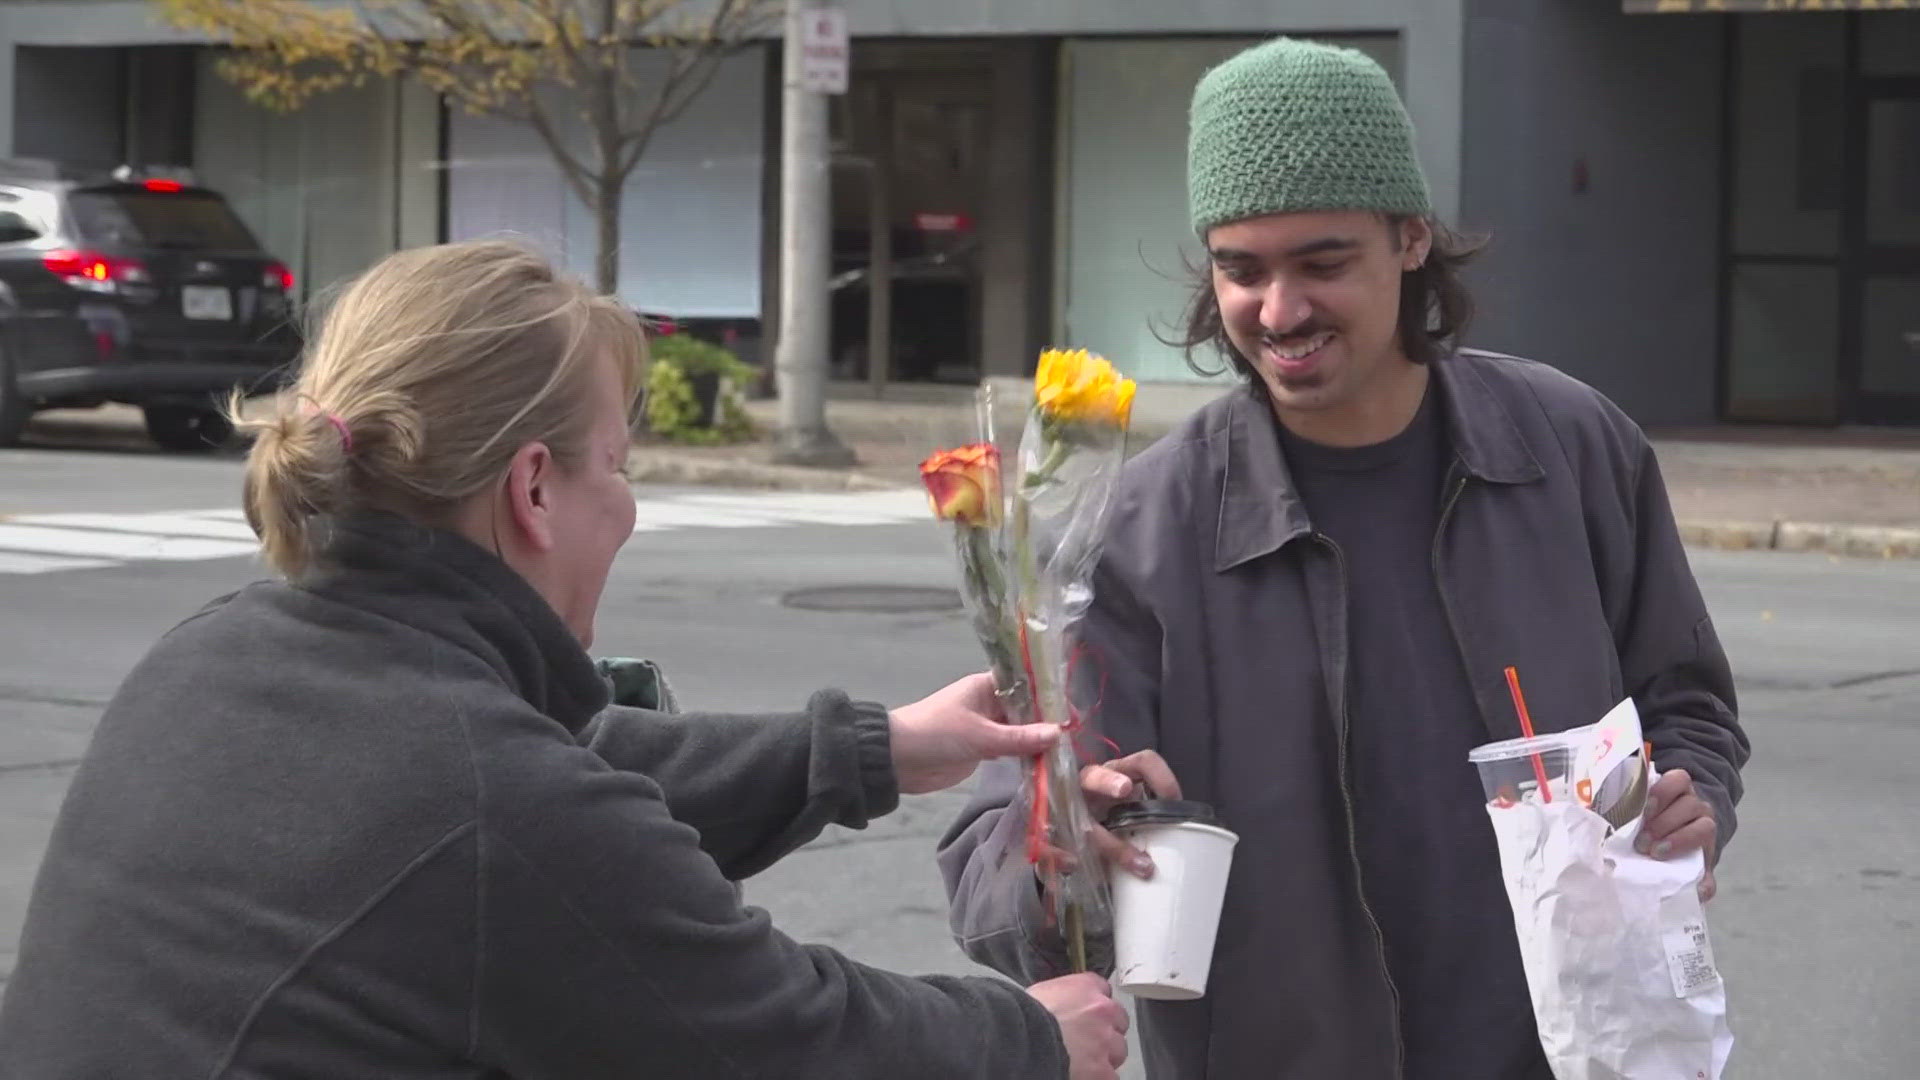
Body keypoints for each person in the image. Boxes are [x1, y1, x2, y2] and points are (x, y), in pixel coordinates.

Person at [0, 240, 1130, 1080]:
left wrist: (878, 748)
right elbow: (782, 1035)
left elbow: (580, 777)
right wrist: (1033, 1038)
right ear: (534, 489)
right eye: (616, 464)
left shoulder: (220, 655)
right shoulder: (487, 799)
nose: (627, 506)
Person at [940, 37, 1751, 1079]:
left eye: (1323, 264)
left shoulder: (1572, 447)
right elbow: (998, 853)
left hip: (1576, 1049)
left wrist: (1691, 800)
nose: (1279, 312)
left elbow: (1686, 704)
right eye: (1243, 270)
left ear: (1411, 239)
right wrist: (1059, 856)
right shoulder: (1139, 528)